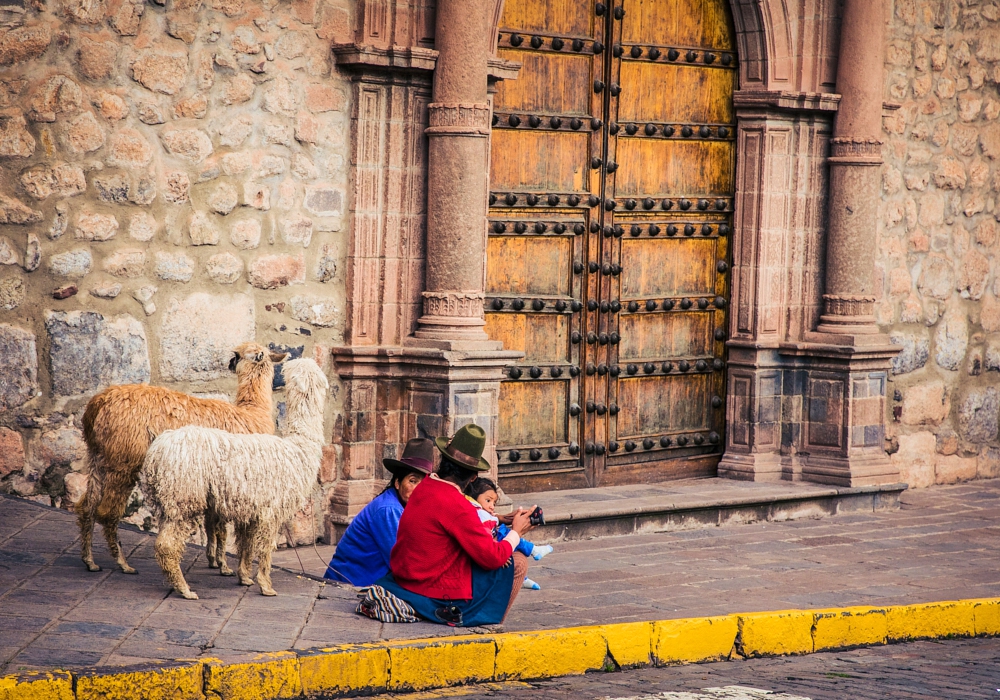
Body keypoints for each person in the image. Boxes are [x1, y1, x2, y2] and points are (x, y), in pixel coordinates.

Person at [374, 424, 536, 628]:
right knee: (518, 562)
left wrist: (501, 519)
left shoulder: (425, 487)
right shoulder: (457, 504)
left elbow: (455, 525)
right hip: (431, 588)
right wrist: (516, 533)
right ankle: (491, 625)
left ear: (443, 460)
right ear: (473, 477)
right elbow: (492, 557)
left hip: (407, 576)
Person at [323, 438, 434, 586]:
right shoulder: (389, 510)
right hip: (348, 584)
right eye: (412, 481)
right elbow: (404, 564)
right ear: (397, 482)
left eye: (424, 483)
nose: (419, 490)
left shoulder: (406, 507)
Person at [464, 477, 552, 590]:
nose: (491, 506)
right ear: (474, 498)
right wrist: (497, 552)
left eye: (494, 503)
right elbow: (484, 536)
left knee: (510, 536)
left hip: (493, 540)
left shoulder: (478, 511)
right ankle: (533, 551)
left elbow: (494, 518)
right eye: (488, 500)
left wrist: (507, 518)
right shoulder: (480, 514)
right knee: (509, 534)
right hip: (492, 545)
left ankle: (524, 574)